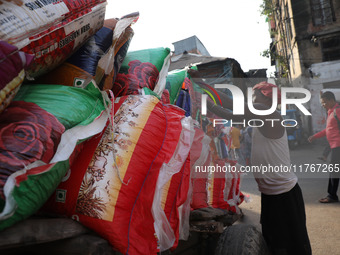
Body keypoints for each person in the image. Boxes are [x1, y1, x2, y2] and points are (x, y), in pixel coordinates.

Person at [189, 71, 311, 254]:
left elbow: (236, 108)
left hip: (283, 194)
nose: (251, 100)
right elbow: (237, 114)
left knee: (289, 246)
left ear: (264, 96)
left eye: (253, 96)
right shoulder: (262, 117)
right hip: (272, 192)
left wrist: (204, 85)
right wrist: (208, 100)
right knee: (273, 242)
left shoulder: (270, 114)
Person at [308, 91, 340, 203]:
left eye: (324, 102)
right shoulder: (331, 112)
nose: (323, 105)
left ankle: (332, 196)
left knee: (334, 171)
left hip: (338, 146)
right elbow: (328, 130)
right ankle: (332, 195)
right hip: (334, 146)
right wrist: (314, 137)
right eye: (322, 103)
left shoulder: (337, 111)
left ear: (331, 100)